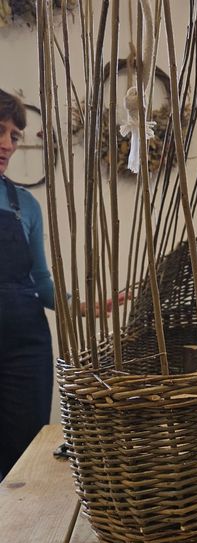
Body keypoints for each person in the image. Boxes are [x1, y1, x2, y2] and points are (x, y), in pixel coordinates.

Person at [0, 89, 56, 480]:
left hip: (25, 351)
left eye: (15, 136)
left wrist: (85, 307)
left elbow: (41, 281)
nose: (7, 144)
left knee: (24, 456)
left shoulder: (25, 205)